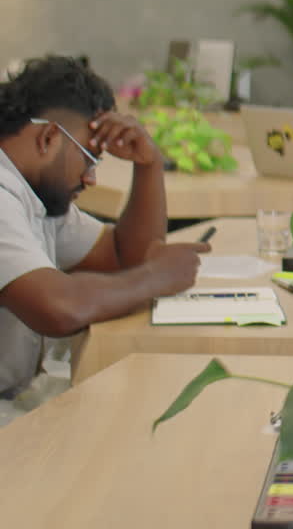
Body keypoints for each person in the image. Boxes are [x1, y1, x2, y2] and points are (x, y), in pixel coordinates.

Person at [0, 56, 210, 399]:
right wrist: (155, 277)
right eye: (89, 157)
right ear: (49, 138)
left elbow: (124, 255)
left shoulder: (33, 195)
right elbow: (58, 307)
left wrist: (148, 164)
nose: (91, 178)